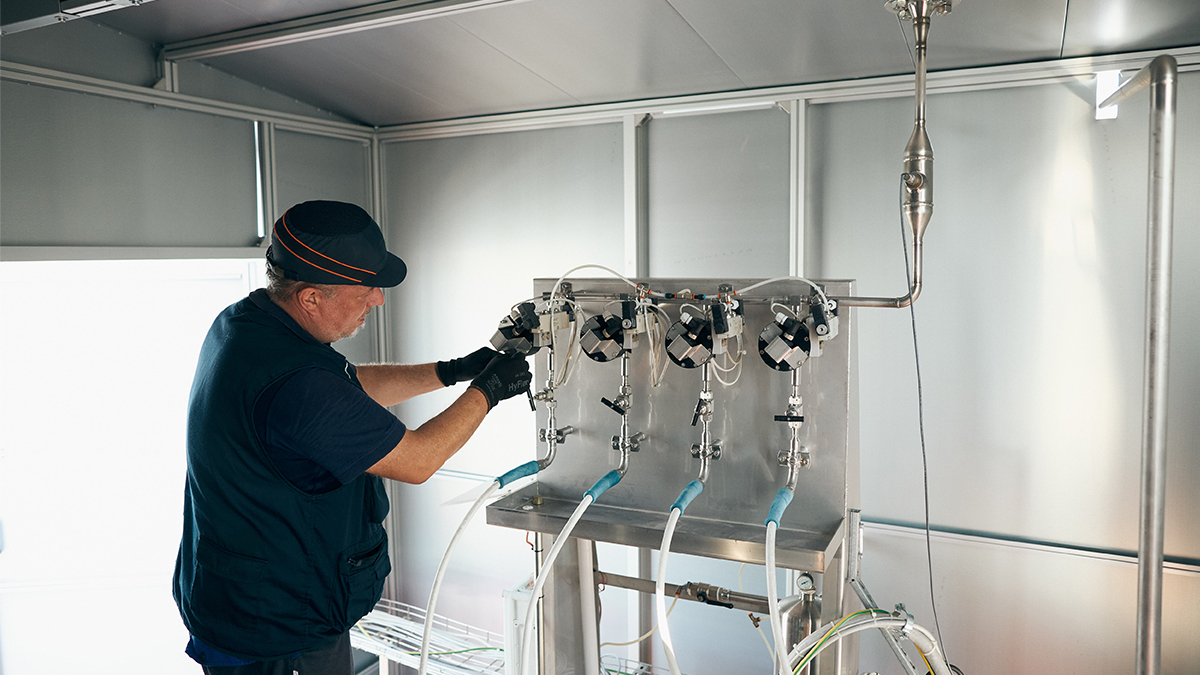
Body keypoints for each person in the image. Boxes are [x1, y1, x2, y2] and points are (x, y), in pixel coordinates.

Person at [173, 200, 532, 674]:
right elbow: (417, 460)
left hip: (251, 591)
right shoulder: (298, 386)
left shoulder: (247, 326)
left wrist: (452, 372)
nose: (378, 300)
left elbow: (345, 387)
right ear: (310, 298)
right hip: (275, 626)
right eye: (365, 290)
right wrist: (489, 391)